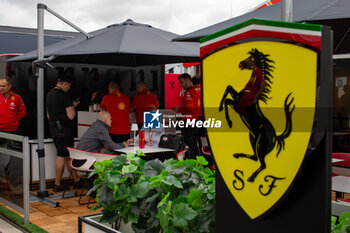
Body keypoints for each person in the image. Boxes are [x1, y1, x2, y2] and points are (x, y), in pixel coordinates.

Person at [46, 75, 83, 192]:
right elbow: (71, 115)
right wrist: (73, 106)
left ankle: (76, 180)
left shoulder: (49, 94)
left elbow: (48, 115)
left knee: (67, 155)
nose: (69, 88)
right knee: (62, 155)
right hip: (64, 130)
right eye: (69, 85)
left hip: (54, 129)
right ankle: (57, 183)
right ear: (65, 83)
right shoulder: (63, 95)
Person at [177, 73, 203, 158]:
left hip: (190, 121)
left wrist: (179, 109)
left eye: (182, 82)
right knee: (198, 143)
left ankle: (191, 162)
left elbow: (190, 108)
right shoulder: (200, 90)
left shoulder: (189, 91)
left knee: (190, 143)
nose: (181, 85)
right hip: (200, 120)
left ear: (188, 80)